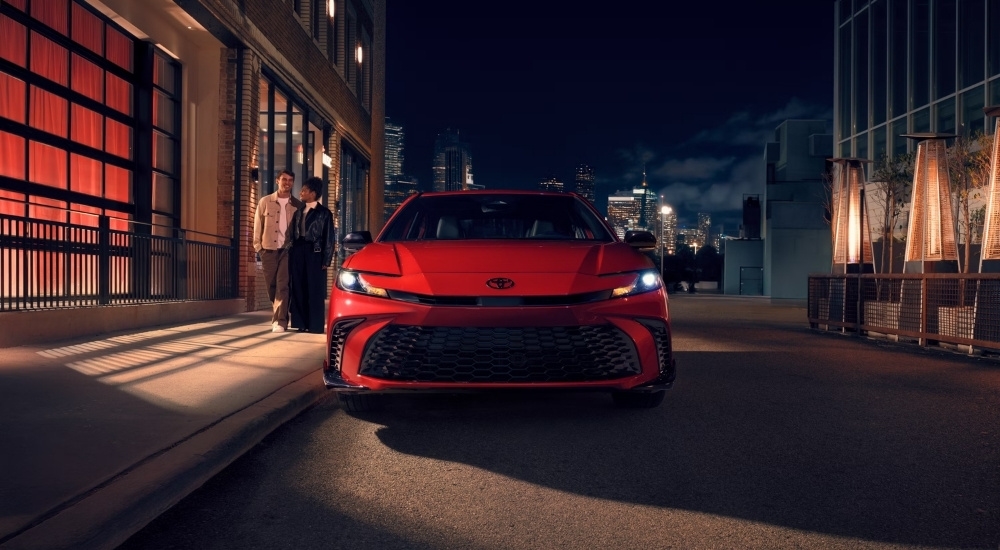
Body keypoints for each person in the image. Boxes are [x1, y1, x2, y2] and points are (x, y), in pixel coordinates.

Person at [252, 169, 303, 333]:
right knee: (272, 286)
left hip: (288, 251)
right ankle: (279, 313)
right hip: (268, 250)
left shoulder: (297, 205)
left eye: (290, 180)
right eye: (284, 179)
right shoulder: (265, 202)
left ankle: (280, 321)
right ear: (277, 181)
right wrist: (258, 247)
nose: (287, 183)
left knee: (283, 286)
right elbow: (257, 225)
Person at [284, 176, 336, 333]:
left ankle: (315, 325)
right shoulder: (299, 211)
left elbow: (329, 237)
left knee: (314, 289)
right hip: (298, 251)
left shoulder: (324, 213)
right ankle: (301, 323)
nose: (301, 192)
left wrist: (327, 259)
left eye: (304, 190)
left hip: (315, 252)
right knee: (298, 286)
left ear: (313, 193)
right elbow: (293, 234)